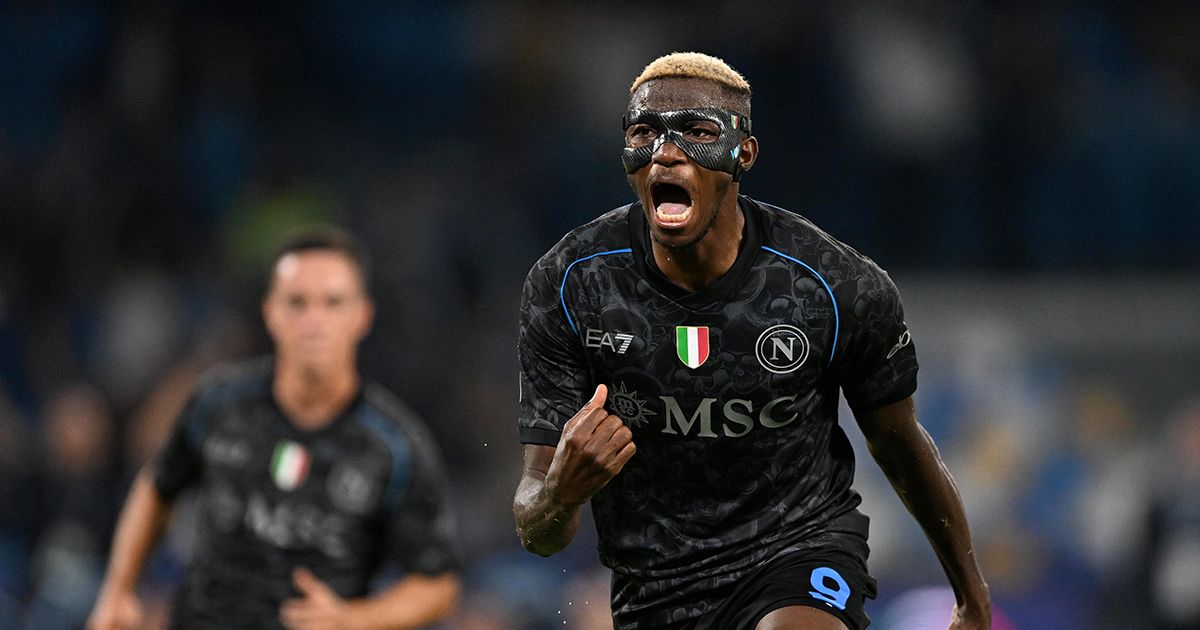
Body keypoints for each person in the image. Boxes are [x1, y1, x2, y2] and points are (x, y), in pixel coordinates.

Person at [513, 52, 990, 630]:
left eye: (697, 132)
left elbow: (899, 443)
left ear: (744, 154)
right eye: (644, 132)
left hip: (800, 550)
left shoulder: (833, 286)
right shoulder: (570, 284)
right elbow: (538, 533)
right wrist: (561, 495)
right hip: (656, 587)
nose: (666, 151)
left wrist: (971, 598)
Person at [88, 227, 460, 629]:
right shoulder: (218, 404)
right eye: (297, 302)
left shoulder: (394, 443)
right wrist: (118, 591)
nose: (313, 320)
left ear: (362, 315)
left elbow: (438, 583)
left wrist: (355, 619)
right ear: (271, 311)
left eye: (332, 303)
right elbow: (157, 485)